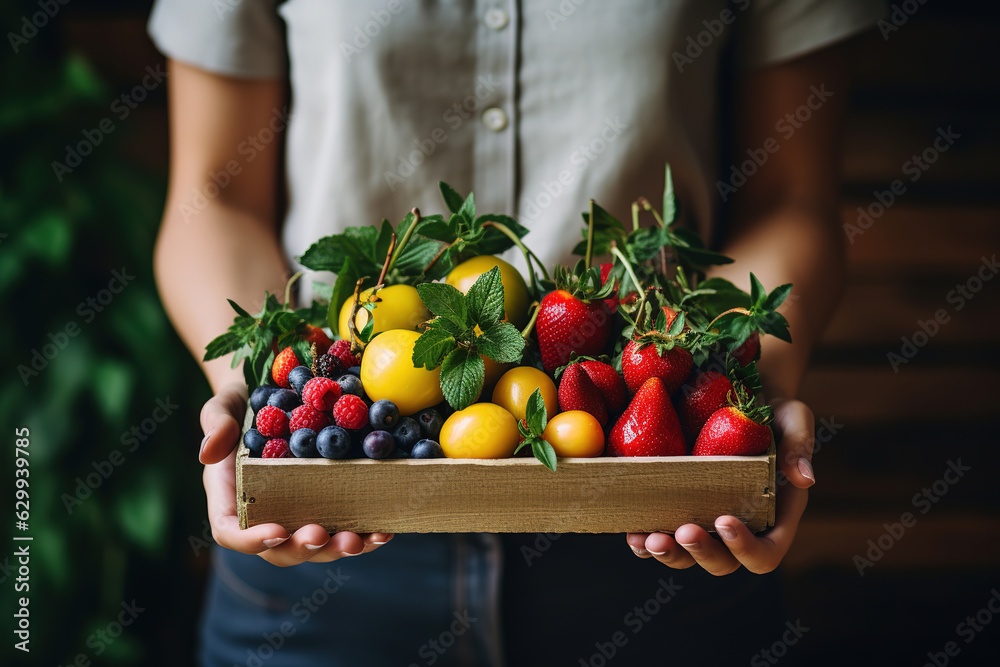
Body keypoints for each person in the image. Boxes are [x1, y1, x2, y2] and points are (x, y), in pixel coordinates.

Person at [150, 1, 882, 664]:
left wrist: (752, 390)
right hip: (324, 539)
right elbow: (211, 198)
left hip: (652, 529)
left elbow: (792, 197)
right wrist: (252, 388)